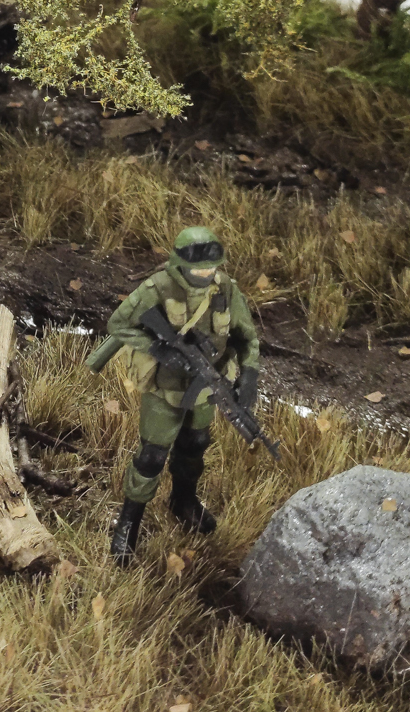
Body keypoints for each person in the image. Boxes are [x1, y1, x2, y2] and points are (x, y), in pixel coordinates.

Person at [91, 225, 260, 565]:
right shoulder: (158, 287)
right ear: (179, 264)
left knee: (195, 444)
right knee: (151, 456)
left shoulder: (226, 289)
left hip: (205, 387)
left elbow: (247, 338)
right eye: (198, 270)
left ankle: (184, 501)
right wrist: (158, 348)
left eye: (211, 269)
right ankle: (129, 522)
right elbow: (119, 325)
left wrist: (249, 376)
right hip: (165, 388)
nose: (205, 275)